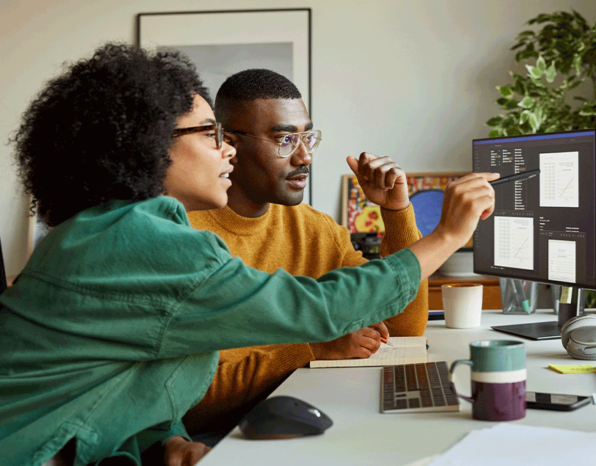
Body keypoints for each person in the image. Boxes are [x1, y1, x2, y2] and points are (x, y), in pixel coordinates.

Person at [0, 43, 497, 466]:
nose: (228, 152)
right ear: (149, 147)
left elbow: (129, 376)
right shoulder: (134, 241)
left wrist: (165, 443)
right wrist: (448, 234)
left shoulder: (118, 231)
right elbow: (317, 310)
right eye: (212, 134)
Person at [184, 69, 429, 434]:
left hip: (309, 413)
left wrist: (395, 213)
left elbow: (403, 327)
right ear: (230, 144)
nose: (305, 158)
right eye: (285, 139)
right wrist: (315, 349)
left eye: (308, 138)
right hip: (224, 439)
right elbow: (188, 399)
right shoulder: (183, 236)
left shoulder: (315, 228)